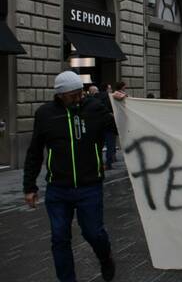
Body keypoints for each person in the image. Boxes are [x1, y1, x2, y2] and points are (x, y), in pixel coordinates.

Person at [23, 71, 127, 282]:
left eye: (81, 93)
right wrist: (29, 186)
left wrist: (121, 106)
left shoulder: (94, 108)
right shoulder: (45, 114)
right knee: (60, 238)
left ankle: (105, 257)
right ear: (60, 95)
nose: (79, 98)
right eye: (74, 95)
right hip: (58, 189)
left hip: (89, 186)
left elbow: (121, 128)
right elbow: (34, 152)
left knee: (93, 233)